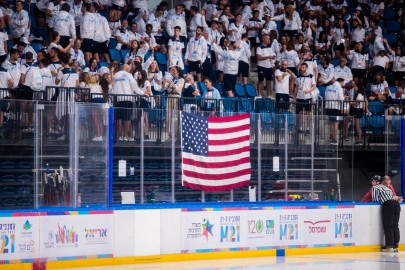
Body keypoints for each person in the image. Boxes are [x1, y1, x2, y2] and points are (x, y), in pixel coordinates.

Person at [372, 175, 403, 252]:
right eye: (386, 183)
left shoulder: (375, 187)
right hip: (396, 205)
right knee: (395, 225)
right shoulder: (388, 189)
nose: (388, 185)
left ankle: (390, 246)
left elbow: (375, 199)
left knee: (388, 225)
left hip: (388, 205)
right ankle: (395, 245)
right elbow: (392, 197)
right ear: (382, 182)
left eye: (388, 183)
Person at [325, 78, 345, 145]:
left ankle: (331, 136)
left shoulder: (328, 87)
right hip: (336, 107)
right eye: (343, 83)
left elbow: (325, 96)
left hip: (328, 106)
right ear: (340, 82)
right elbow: (341, 99)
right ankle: (335, 139)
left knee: (331, 122)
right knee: (336, 123)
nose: (343, 84)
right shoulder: (339, 88)